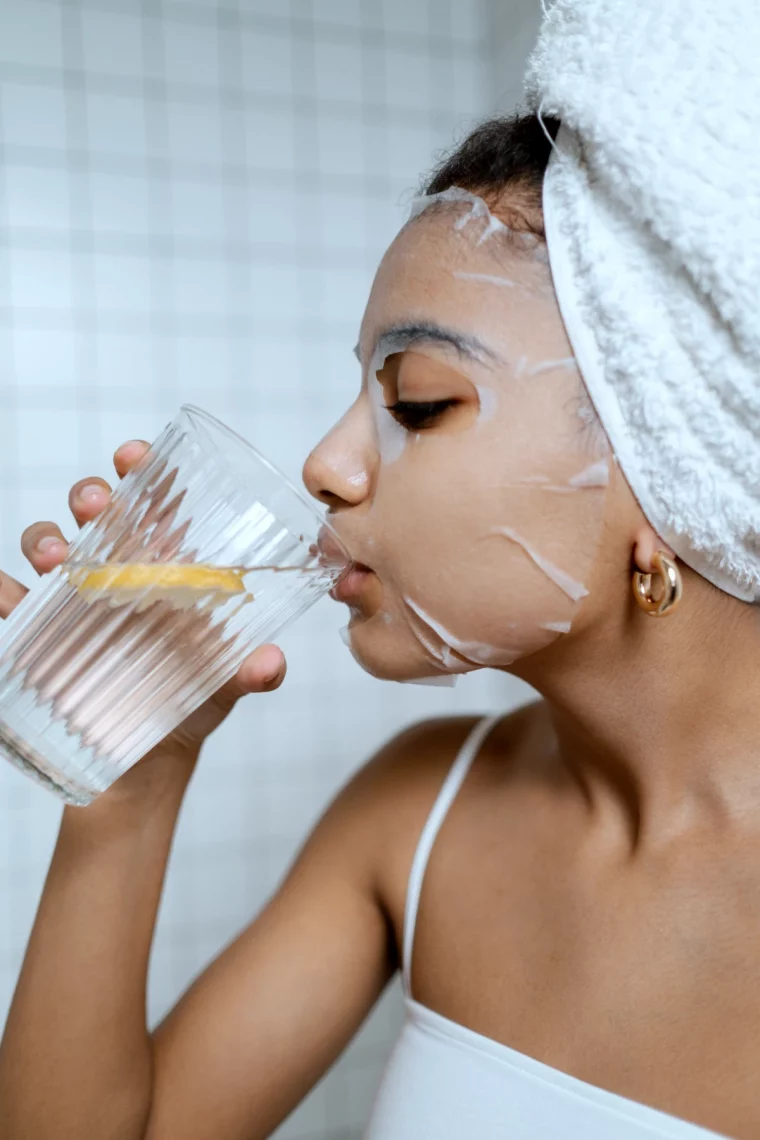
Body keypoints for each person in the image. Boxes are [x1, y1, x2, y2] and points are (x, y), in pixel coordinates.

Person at [1, 16, 759, 1133]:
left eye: (415, 401)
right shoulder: (416, 810)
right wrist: (127, 792)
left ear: (665, 473)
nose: (326, 462)